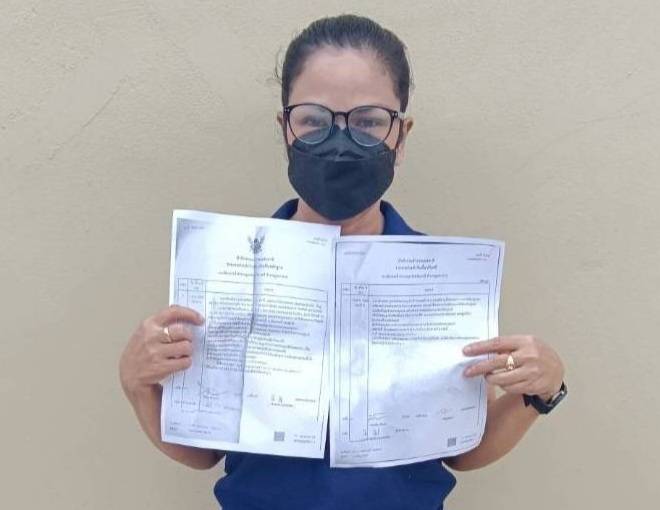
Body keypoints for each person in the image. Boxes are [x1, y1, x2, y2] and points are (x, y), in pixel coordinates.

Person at [119, 14, 567, 510]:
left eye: (368, 121)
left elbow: (464, 451)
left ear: (401, 136)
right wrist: (138, 384)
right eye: (314, 119)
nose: (340, 142)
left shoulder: (442, 280)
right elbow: (202, 452)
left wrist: (539, 391)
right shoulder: (228, 270)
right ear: (285, 129)